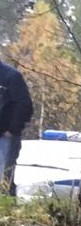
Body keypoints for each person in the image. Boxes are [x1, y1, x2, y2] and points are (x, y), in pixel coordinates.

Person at [0, 58, 34, 197]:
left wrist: (12, 130)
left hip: (5, 137)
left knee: (4, 179)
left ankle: (5, 212)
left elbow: (24, 104)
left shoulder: (11, 76)